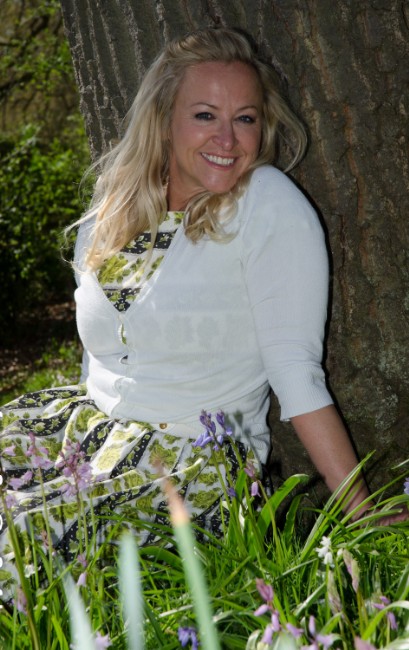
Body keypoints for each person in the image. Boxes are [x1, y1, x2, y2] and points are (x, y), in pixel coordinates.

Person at [0, 27, 404, 603]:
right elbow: (102, 353)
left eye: (245, 118)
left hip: (188, 465)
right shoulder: (117, 205)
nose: (228, 139)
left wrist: (363, 512)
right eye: (205, 115)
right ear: (164, 119)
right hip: (88, 433)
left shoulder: (265, 203)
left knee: (19, 554)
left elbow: (296, 372)